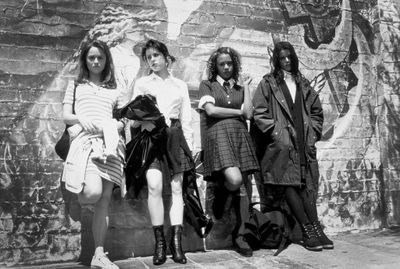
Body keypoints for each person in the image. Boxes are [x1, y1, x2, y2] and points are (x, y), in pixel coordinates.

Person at [252, 41, 333, 251]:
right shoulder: (268, 83)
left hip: (303, 143)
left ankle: (317, 229)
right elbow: (259, 113)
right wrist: (278, 134)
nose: (286, 61)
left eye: (289, 57)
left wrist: (313, 133)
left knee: (306, 185)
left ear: (294, 58)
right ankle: (307, 230)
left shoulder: (303, 83)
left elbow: (316, 111)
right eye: (282, 58)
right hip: (283, 145)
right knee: (289, 184)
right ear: (276, 61)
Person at [62, 39, 127, 269]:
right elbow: (66, 115)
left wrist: (115, 126)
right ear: (85, 60)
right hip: (85, 144)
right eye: (91, 57)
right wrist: (82, 119)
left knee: (105, 201)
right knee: (91, 193)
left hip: (109, 146)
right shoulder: (76, 84)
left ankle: (99, 255)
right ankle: (76, 196)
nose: (96, 61)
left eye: (100, 57)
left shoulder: (114, 88)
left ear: (106, 60)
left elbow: (124, 118)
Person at [131, 39, 194, 265]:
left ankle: (176, 245)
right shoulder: (142, 84)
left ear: (166, 57)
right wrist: (142, 124)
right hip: (151, 140)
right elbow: (132, 118)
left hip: (175, 138)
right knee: (155, 186)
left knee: (177, 189)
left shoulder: (180, 85)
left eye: (156, 55)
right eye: (149, 57)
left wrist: (191, 148)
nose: (153, 60)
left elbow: (186, 119)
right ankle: (159, 244)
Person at [197, 47, 259, 257]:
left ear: (234, 65)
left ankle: (240, 236)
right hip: (219, 135)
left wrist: (247, 87)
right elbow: (211, 111)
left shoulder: (240, 87)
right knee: (234, 179)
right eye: (222, 64)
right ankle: (223, 190)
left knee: (243, 189)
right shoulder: (208, 85)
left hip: (240, 135)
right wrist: (238, 112)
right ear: (216, 65)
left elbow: (249, 113)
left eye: (229, 63)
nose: (226, 67)